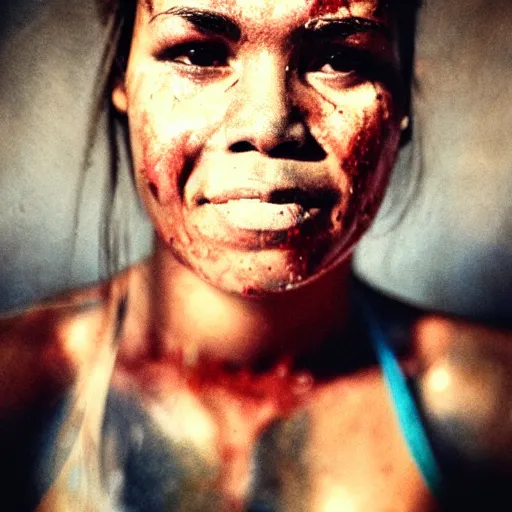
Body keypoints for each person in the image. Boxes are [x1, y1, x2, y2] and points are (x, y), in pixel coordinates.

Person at [0, 0, 511, 510]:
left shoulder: (488, 403)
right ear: (123, 79)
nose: (267, 125)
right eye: (198, 54)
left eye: (339, 59)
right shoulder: (20, 388)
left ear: (402, 101)